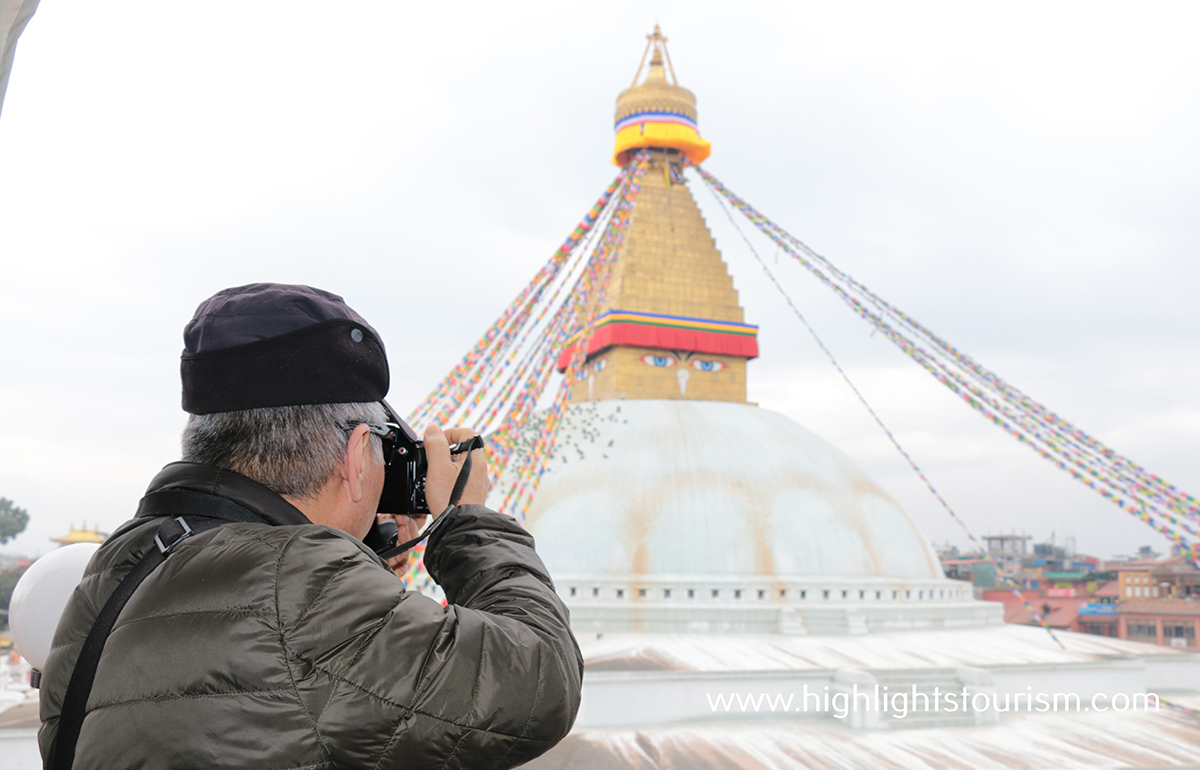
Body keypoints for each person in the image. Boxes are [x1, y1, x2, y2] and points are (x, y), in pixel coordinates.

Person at [38, 283, 583, 769]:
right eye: (379, 450)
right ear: (353, 454)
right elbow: (539, 682)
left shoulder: (118, 564)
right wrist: (469, 522)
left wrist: (366, 564)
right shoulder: (303, 580)